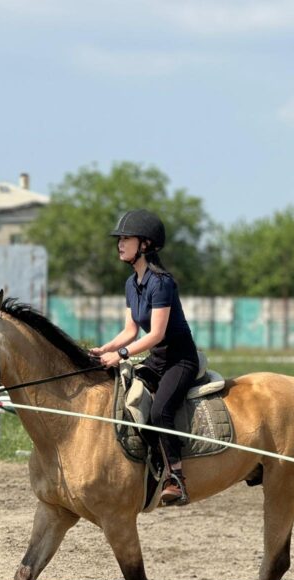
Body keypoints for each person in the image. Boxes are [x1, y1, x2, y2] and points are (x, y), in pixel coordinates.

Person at [90, 209, 199, 506]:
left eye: (126, 238)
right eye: (119, 239)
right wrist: (105, 349)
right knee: (127, 397)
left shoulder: (161, 282)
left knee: (160, 411)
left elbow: (156, 335)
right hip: (157, 361)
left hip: (180, 360)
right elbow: (130, 329)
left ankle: (176, 478)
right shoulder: (131, 284)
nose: (119, 244)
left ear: (146, 244)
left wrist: (122, 354)